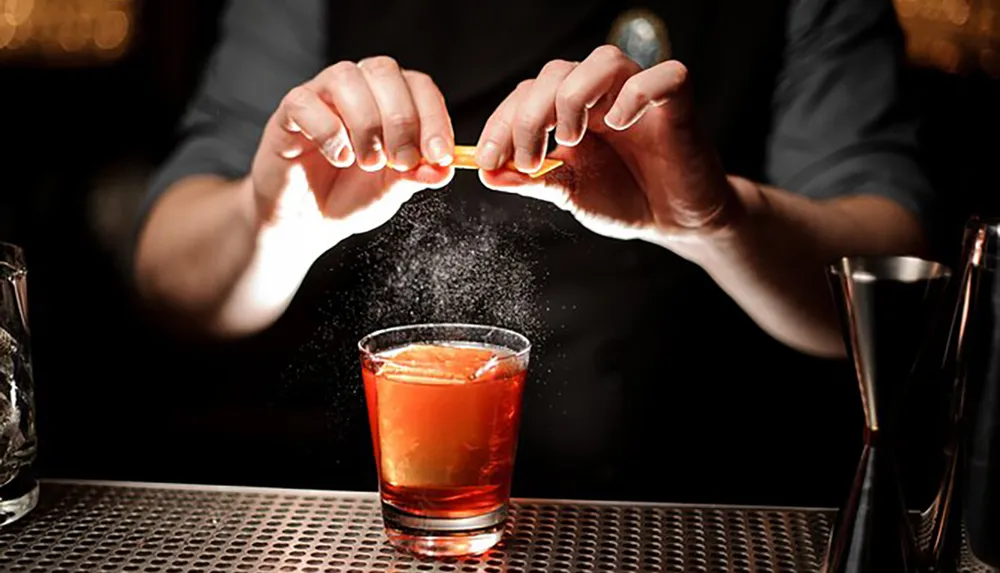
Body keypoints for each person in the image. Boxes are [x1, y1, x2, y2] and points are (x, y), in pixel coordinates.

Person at [131, 0, 933, 504]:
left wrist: (713, 219)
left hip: (707, 501)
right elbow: (170, 280)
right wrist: (277, 219)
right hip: (354, 520)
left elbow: (896, 279)